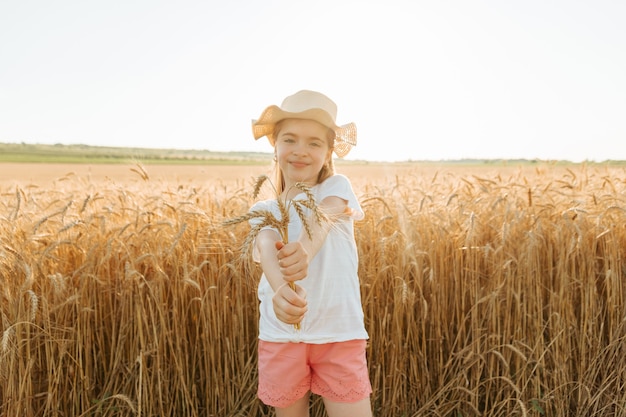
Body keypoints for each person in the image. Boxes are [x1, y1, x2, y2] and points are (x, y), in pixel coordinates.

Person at [248, 90, 373, 416]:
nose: (301, 151)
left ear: (329, 151)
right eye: (290, 139)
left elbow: (326, 216)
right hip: (281, 335)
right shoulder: (264, 208)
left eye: (314, 143)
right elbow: (265, 243)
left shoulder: (337, 188)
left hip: (339, 333)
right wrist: (279, 292)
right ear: (275, 146)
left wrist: (303, 249)